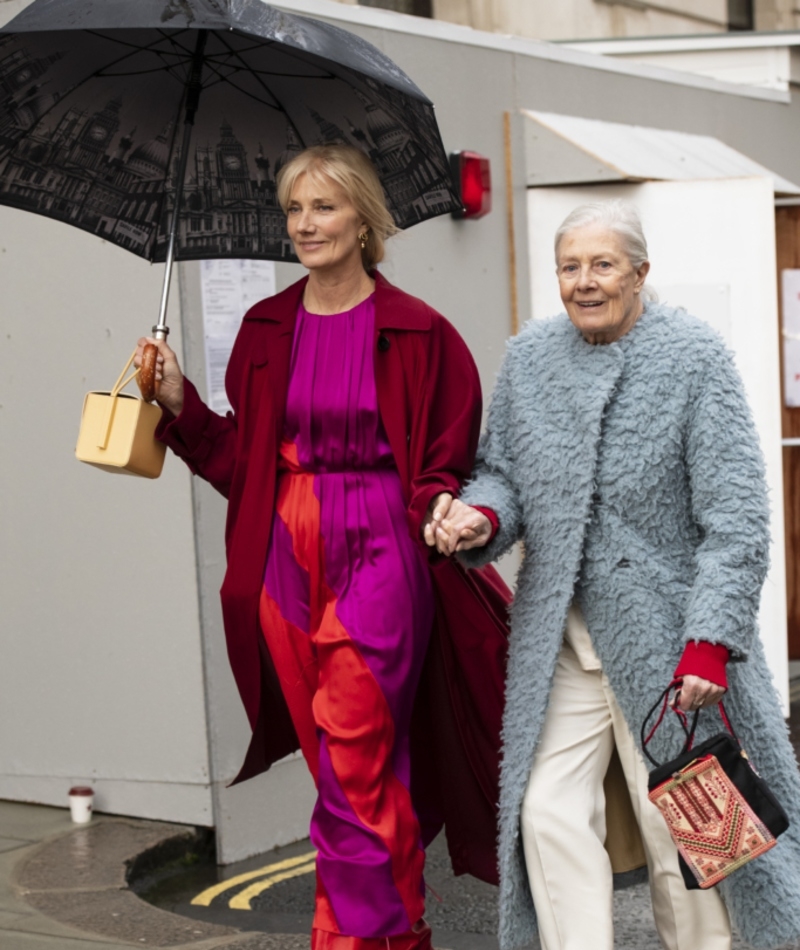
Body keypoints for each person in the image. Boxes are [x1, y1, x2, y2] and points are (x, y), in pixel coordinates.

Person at [135, 144, 509, 950]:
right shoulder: (266, 328)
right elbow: (247, 465)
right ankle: (398, 927)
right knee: (347, 769)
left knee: (354, 758)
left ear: (365, 219)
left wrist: (443, 504)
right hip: (284, 557)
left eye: (323, 207)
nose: (305, 224)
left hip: (382, 550)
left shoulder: (422, 332)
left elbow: (445, 461)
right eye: (294, 209)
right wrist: (181, 404)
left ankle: (351, 941)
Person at [430, 200, 800, 950]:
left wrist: (709, 641)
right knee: (545, 812)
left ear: (640, 274)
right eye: (570, 266)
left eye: (602, 265)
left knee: (691, 831)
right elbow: (502, 474)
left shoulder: (695, 357)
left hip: (670, 645)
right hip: (563, 640)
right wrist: (482, 518)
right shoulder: (531, 359)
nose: (584, 282)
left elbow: (736, 519)